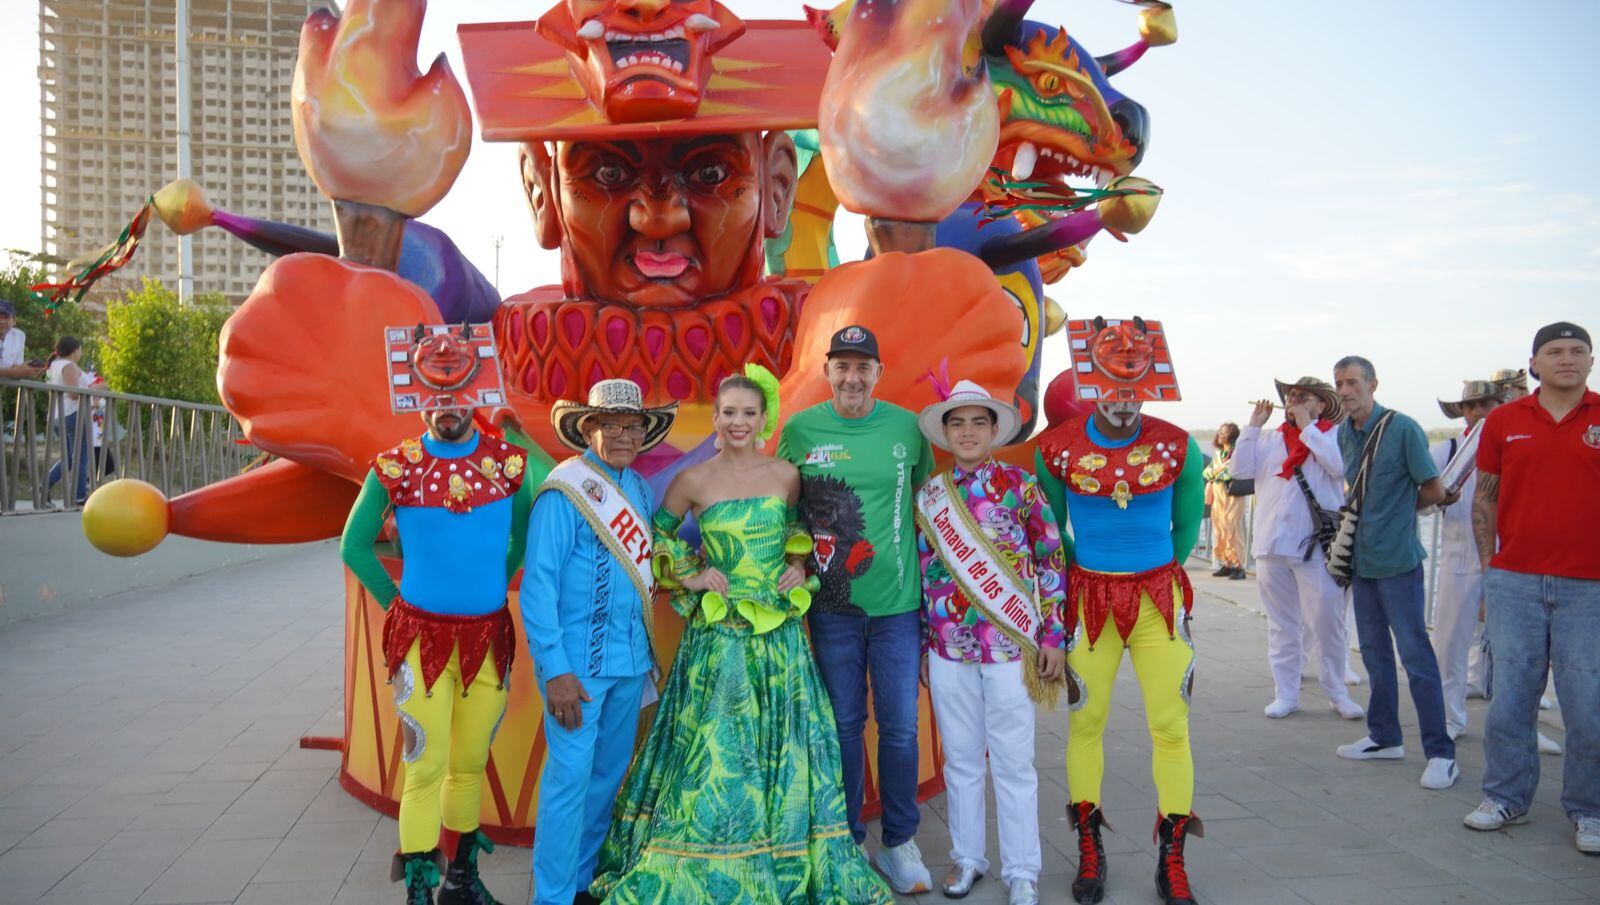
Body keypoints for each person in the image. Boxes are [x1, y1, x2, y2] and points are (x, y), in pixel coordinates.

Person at [591, 367, 892, 904]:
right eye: (729, 412)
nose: (738, 422)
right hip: (718, 641)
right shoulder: (692, 481)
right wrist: (692, 574)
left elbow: (797, 529)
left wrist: (796, 564)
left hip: (780, 640)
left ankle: (782, 853)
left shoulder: (787, 475)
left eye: (748, 413)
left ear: (763, 419)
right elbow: (657, 538)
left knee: (784, 746)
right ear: (715, 418)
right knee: (718, 754)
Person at [341, 324, 547, 905]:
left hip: (488, 640)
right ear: (416, 396)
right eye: (434, 394)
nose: (446, 406)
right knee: (425, 765)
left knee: (469, 762)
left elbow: (523, 535)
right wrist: (397, 606)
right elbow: (354, 546)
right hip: (419, 644)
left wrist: (492, 580)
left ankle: (461, 881)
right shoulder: (395, 466)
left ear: (475, 392)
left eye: (457, 393)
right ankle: (418, 891)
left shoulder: (509, 465)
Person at [1034, 316, 1205, 905]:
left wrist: (1150, 573)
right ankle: (1090, 849)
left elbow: (1186, 529)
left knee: (1171, 726)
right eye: (1111, 388)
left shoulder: (1179, 446)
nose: (1124, 401)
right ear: (1091, 384)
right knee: (1086, 723)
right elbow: (1052, 532)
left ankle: (1172, 861)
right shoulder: (1056, 450)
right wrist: (1091, 572)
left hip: (1160, 600)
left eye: (1134, 389)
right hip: (1090, 603)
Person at [777, 324, 936, 895]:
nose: (851, 377)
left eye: (862, 367)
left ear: (878, 373)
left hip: (897, 607)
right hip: (831, 608)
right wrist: (796, 561)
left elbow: (924, 500)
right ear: (827, 372)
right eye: (841, 366)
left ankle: (899, 841)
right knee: (844, 724)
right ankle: (845, 841)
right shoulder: (799, 430)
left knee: (899, 726)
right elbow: (784, 511)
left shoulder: (908, 428)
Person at [913, 381, 1068, 905]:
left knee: (1013, 762)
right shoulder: (931, 497)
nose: (967, 432)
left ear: (995, 430)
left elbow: (1050, 560)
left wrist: (1053, 635)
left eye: (978, 422)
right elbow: (923, 575)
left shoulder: (1022, 487)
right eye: (957, 423)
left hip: (1010, 648)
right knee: (960, 760)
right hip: (947, 649)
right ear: (945, 433)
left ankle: (1022, 870)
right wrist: (923, 644)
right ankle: (968, 860)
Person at [522, 379, 676, 905]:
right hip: (577, 671)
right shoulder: (562, 490)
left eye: (633, 425)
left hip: (630, 662)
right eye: (611, 424)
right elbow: (538, 587)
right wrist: (555, 670)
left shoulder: (640, 490)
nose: (624, 435)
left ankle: (582, 882)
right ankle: (551, 897)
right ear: (588, 428)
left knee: (608, 777)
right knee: (569, 780)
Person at [1463, 322, 1600, 856]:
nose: (1567, 359)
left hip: (1589, 587)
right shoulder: (1504, 420)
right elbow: (1485, 497)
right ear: (1534, 363)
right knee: (1509, 700)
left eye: (1578, 351)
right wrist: (1489, 567)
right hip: (1515, 581)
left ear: (1590, 361)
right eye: (1554, 351)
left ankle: (1589, 809)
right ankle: (1505, 797)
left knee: (1588, 705)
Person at [1330, 356, 1458, 790]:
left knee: (1416, 655)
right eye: (1339, 383)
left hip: (1399, 561)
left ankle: (1441, 753)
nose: (1345, 391)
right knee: (1372, 652)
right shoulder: (1344, 432)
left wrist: (1401, 513)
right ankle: (1385, 737)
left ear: (1373, 384)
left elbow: (1434, 488)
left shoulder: (1402, 428)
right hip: (1361, 562)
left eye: (1352, 382)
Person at [1233, 378, 1364, 721]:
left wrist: (1308, 429)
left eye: (1302, 396)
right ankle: (1286, 694)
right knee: (1282, 625)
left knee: (1328, 623)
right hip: (1272, 544)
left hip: (1317, 547)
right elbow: (1239, 470)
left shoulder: (1335, 436)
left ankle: (1337, 692)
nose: (1293, 400)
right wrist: (1252, 426)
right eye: (1290, 395)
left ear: (1321, 405)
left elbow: (1339, 466)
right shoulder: (1270, 438)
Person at [1429, 379, 1505, 741]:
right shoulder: (1447, 449)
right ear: (1462, 411)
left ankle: (1517, 725)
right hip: (1458, 561)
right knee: (1449, 646)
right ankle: (1450, 718)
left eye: (1486, 404)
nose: (1478, 412)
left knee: (1516, 650)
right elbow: (1419, 497)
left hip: (1511, 560)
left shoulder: (1514, 447)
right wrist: (1437, 498)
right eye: (1471, 406)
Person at [44, 335, 95, 505]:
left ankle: (44, 487)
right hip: (73, 414)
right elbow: (73, 393)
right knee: (80, 457)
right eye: (80, 350)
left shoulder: (53, 366)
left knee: (69, 458)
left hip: (57, 415)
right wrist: (92, 393)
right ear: (75, 350)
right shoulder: (68, 365)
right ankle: (79, 496)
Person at [1202, 423, 1247, 579]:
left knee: (1233, 530)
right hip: (1219, 497)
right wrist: (1217, 472)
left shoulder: (1237, 453)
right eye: (1220, 432)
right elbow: (1207, 472)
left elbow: (1230, 473)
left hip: (1232, 497)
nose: (1220, 435)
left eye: (1224, 432)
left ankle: (1239, 566)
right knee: (1220, 529)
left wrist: (1216, 473)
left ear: (1232, 435)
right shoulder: (1219, 453)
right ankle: (1228, 563)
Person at [0, 300, 47, 379]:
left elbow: (15, 367)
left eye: (6, 317)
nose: (1, 321)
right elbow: (14, 372)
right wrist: (16, 373)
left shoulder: (19, 336)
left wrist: (28, 368)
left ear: (14, 321)